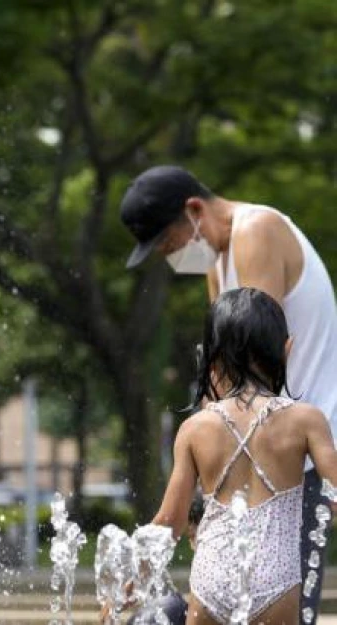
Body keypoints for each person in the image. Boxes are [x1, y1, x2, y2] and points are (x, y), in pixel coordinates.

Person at [120, 164, 337, 616]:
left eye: (169, 243)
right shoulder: (219, 261)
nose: (171, 255)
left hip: (293, 452)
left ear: (194, 210)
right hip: (258, 450)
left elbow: (255, 355)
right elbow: (223, 378)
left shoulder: (257, 231)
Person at [149, 289, 337, 624]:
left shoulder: (195, 428)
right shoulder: (306, 419)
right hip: (277, 581)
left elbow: (169, 522)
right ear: (286, 349)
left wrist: (132, 579)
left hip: (210, 581)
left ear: (212, 358)